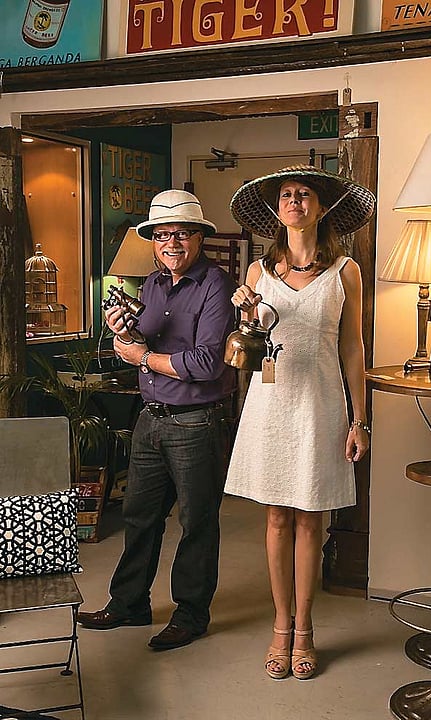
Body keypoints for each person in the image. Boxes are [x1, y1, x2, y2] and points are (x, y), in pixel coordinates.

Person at [224, 165, 375, 679]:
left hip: (321, 405)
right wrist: (246, 314)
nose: (294, 201)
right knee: (276, 518)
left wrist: (360, 419)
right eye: (286, 195)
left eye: (304, 194)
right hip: (270, 404)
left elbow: (353, 348)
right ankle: (280, 628)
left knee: (312, 518)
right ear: (277, 209)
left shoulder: (345, 271)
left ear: (321, 207)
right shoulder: (258, 272)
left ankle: (306, 630)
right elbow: (247, 347)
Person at [78, 189, 237, 651]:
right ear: (153, 241)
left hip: (196, 421)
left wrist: (143, 357)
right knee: (139, 517)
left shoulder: (217, 285)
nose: (172, 243)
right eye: (163, 235)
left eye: (182, 234)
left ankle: (191, 615)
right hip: (150, 417)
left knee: (197, 522)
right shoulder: (151, 284)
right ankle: (129, 604)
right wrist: (122, 331)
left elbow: (207, 364)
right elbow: (140, 342)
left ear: (199, 237)